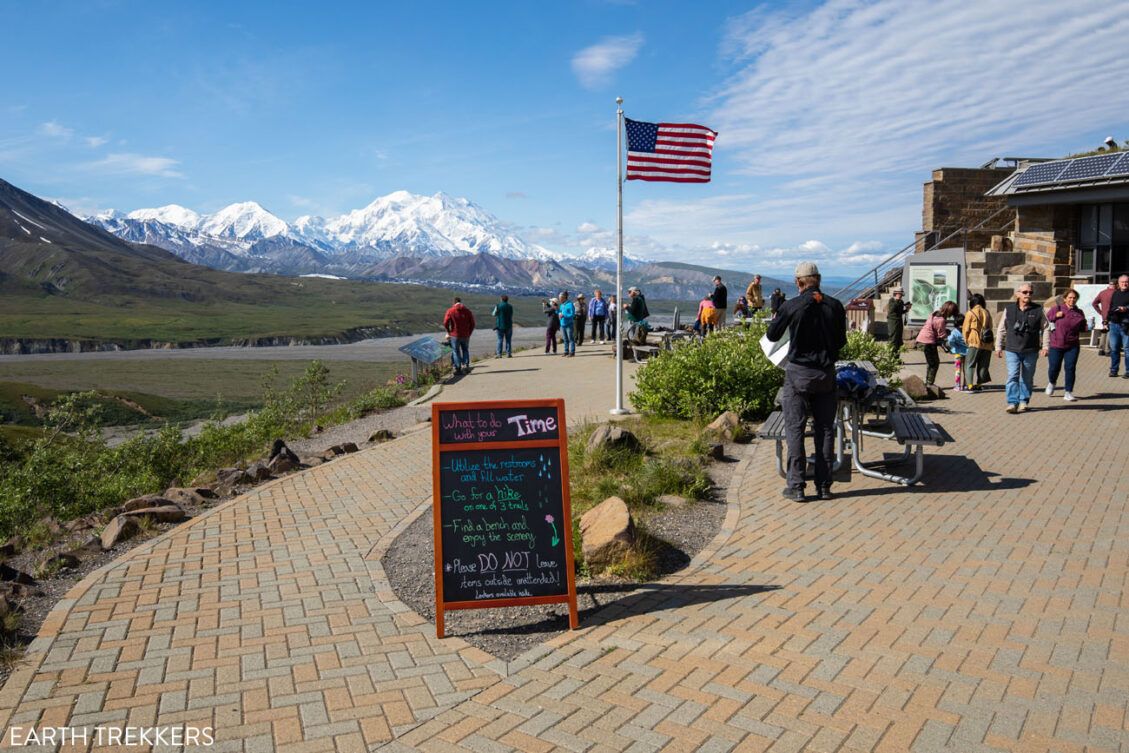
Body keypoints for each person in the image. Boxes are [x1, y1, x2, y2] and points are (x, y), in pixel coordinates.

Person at [766, 261, 847, 503]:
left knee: (795, 429)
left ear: (799, 282)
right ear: (819, 279)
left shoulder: (792, 306)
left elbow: (772, 335)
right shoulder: (835, 305)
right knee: (825, 429)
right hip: (826, 373)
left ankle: (797, 486)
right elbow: (841, 342)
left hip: (798, 373)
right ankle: (823, 486)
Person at [994, 284, 1049, 414]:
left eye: (1030, 292)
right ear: (1018, 294)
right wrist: (998, 346)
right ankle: (1012, 402)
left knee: (1027, 378)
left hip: (1031, 350)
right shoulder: (1009, 309)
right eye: (1025, 292)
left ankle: (1024, 400)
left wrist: (1046, 346)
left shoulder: (1038, 310)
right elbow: (1002, 328)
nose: (1028, 295)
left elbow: (1046, 328)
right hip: (1012, 349)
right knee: (1013, 375)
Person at [1045, 288, 1087, 401]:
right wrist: (1056, 316)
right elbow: (1046, 321)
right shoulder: (1056, 309)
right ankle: (1052, 382)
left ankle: (1068, 392)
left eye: (1074, 298)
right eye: (1070, 298)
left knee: (1070, 368)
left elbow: (1083, 328)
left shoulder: (1079, 312)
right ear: (1065, 299)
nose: (1072, 300)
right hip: (1056, 344)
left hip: (1072, 345)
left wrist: (1088, 326)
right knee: (1054, 367)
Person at [915, 301, 956, 386]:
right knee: (934, 363)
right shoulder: (941, 320)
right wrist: (950, 335)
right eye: (951, 313)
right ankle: (929, 384)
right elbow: (942, 335)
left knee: (931, 363)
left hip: (922, 338)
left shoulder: (935, 313)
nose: (951, 316)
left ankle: (928, 382)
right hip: (928, 341)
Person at [961, 293, 993, 390]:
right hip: (987, 343)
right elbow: (990, 327)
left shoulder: (970, 313)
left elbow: (965, 329)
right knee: (983, 365)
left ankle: (970, 385)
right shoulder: (987, 312)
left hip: (974, 342)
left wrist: (966, 340)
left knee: (969, 364)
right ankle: (979, 384)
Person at [442, 296, 476, 376]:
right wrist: (469, 332)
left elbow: (445, 322)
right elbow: (473, 324)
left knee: (455, 351)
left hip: (455, 335)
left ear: (454, 303)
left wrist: (449, 331)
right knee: (465, 350)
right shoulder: (468, 311)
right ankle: (466, 366)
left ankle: (458, 369)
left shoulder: (450, 311)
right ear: (461, 302)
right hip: (466, 335)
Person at [1107, 274, 1129, 378]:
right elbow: (1111, 307)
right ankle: (1114, 370)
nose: (1124, 284)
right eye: (1122, 282)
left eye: (1126, 282)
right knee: (1114, 348)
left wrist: (1126, 309)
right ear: (1119, 284)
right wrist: (1106, 320)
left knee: (1127, 349)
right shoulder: (1115, 293)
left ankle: (1128, 371)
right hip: (1114, 324)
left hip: (1127, 326)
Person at [1092, 280, 1115, 356]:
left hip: (1104, 316)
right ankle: (1107, 350)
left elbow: (1094, 303)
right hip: (1113, 316)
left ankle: (1101, 350)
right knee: (1110, 332)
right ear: (1116, 285)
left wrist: (1100, 312)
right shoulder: (1116, 293)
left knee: (1104, 331)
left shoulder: (1102, 292)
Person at [886, 287, 911, 353]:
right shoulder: (892, 300)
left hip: (899, 321)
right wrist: (897, 300)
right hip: (893, 322)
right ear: (896, 293)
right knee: (893, 338)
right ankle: (891, 356)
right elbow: (891, 310)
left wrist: (907, 309)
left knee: (899, 339)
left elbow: (900, 312)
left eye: (902, 294)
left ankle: (896, 357)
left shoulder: (901, 301)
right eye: (900, 294)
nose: (901, 295)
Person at [491, 294, 513, 358]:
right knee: (508, 340)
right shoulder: (510, 306)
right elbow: (511, 314)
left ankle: (499, 354)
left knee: (500, 340)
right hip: (509, 325)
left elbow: (493, 314)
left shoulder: (498, 306)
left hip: (500, 325)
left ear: (501, 299)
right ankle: (508, 353)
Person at [558, 291, 576, 357]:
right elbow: (560, 312)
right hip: (563, 324)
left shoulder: (570, 304)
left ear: (564, 297)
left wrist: (564, 315)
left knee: (571, 338)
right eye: (559, 298)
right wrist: (558, 313)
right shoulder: (562, 305)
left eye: (560, 298)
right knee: (565, 339)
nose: (559, 299)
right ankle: (566, 351)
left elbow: (572, 314)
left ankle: (572, 352)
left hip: (569, 324)